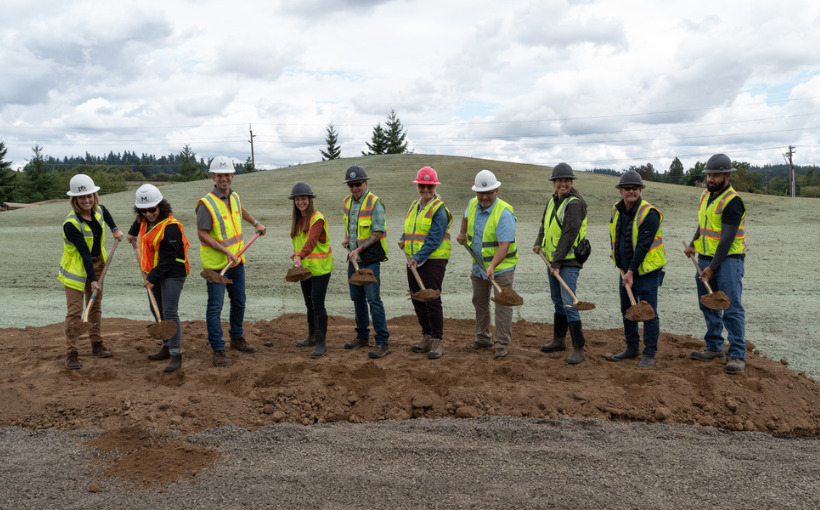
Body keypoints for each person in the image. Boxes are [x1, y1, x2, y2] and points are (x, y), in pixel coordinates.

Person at [196, 156, 266, 367]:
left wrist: (255, 222)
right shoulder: (206, 204)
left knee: (239, 302)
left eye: (227, 175)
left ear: (232, 177)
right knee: (215, 307)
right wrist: (224, 250)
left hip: (237, 262)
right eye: (220, 175)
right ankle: (218, 348)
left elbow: (240, 210)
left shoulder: (233, 196)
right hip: (217, 266)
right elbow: (202, 234)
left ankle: (236, 338)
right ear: (214, 177)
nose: (224, 178)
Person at [684, 153, 747, 374]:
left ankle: (738, 355)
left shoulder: (733, 202)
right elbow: (704, 223)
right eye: (709, 174)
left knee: (730, 306)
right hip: (705, 258)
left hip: (728, 260)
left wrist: (712, 267)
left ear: (727, 175)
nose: (711, 179)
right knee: (708, 303)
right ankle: (714, 347)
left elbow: (727, 239)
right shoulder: (705, 196)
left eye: (716, 175)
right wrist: (693, 243)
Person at [59, 173, 125, 369]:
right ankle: (71, 352)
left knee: (94, 307)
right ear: (75, 200)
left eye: (90, 196)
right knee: (75, 312)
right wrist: (93, 279)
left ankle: (96, 344)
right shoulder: (71, 224)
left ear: (94, 197)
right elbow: (85, 253)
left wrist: (114, 228)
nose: (87, 200)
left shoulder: (98, 210)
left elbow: (105, 212)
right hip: (76, 271)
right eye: (82, 197)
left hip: (98, 266)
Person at [127, 184, 190, 372]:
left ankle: (176, 354)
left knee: (170, 313)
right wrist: (131, 235)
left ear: (161, 206)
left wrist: (152, 277)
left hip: (173, 272)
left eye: (152, 209)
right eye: (143, 210)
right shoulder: (144, 219)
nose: (148, 213)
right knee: (157, 311)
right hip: (153, 271)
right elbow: (138, 223)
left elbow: (169, 259)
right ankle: (165, 346)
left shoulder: (171, 228)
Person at [456, 169, 518, 359]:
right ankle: (483, 338)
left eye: (489, 192)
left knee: (502, 305)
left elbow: (504, 245)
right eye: (481, 193)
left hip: (501, 267)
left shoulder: (504, 213)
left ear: (496, 191)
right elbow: (465, 216)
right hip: (478, 265)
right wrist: (462, 233)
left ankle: (501, 344)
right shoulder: (473, 204)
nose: (484, 197)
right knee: (479, 301)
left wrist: (492, 267)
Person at [607, 170, 666, 368]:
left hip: (647, 272)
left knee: (649, 312)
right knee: (628, 309)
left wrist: (631, 271)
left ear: (640, 190)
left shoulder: (649, 213)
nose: (631, 191)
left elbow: (642, 246)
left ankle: (649, 353)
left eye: (635, 188)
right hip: (625, 270)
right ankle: (632, 348)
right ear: (620, 191)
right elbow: (615, 235)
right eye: (627, 188)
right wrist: (616, 255)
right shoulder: (616, 209)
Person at [533, 163, 589, 365]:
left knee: (569, 302)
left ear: (571, 182)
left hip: (569, 261)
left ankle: (579, 348)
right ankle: (558, 340)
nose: (562, 183)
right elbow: (544, 225)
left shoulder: (574, 203)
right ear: (554, 183)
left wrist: (556, 262)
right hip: (552, 260)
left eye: (566, 180)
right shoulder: (553, 201)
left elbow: (569, 233)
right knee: (558, 301)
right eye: (559, 180)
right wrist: (539, 242)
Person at [399, 167, 453, 360]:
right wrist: (403, 238)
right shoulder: (414, 205)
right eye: (422, 185)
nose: (425, 189)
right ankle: (427, 336)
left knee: (431, 298)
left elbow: (435, 238)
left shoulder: (439, 209)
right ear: (418, 186)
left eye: (429, 186)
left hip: (433, 260)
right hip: (414, 259)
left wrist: (419, 257)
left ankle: (438, 340)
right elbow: (410, 227)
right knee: (417, 297)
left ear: (434, 186)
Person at [342, 165, 391, 359]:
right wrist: (347, 240)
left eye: (358, 184)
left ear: (366, 183)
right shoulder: (347, 202)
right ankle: (362, 336)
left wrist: (358, 249)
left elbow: (378, 232)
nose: (355, 188)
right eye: (351, 185)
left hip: (369, 260)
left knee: (373, 299)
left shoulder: (375, 202)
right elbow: (351, 227)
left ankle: (382, 342)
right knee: (357, 298)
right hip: (354, 259)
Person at [289, 181, 333, 359]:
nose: (301, 202)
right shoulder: (298, 220)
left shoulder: (317, 218)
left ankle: (322, 344)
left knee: (317, 304)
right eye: (298, 199)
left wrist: (300, 256)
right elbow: (301, 244)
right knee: (309, 303)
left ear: (310, 199)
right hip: (305, 270)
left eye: (304, 199)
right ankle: (312, 336)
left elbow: (312, 241)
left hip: (320, 269)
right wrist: (296, 255)